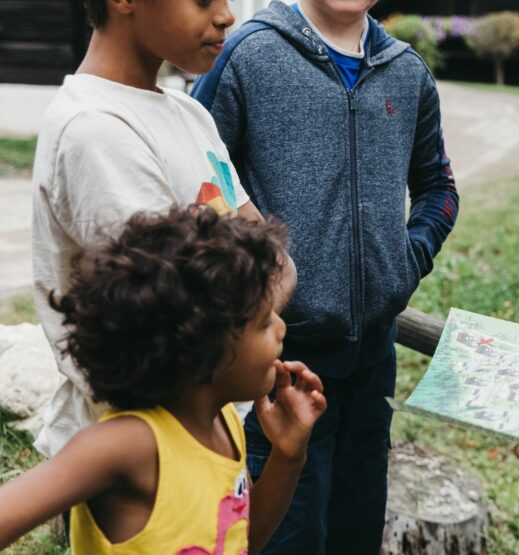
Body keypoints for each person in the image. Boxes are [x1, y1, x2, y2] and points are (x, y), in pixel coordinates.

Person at [190, 0, 459, 551]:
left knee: (353, 530)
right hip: (274, 366)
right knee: (286, 532)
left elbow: (440, 190)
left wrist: (404, 260)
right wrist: (250, 291)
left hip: (373, 365)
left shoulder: (407, 73)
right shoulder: (246, 57)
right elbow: (194, 177)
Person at [31, 0, 297, 462]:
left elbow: (278, 265)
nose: (228, 15)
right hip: (130, 459)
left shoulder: (187, 113)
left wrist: (249, 293)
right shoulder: (96, 131)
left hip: (200, 431)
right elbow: (182, 320)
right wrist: (253, 289)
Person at [0, 208, 326, 552]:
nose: (282, 327)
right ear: (204, 348)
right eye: (263, 323)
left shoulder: (224, 424)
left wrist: (288, 456)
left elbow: (238, 542)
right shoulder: (128, 444)